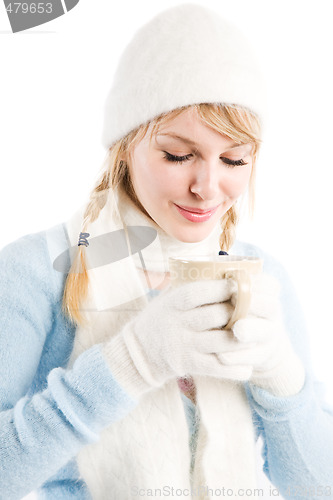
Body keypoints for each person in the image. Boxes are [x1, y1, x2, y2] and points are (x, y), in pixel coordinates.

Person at [1, 3, 333, 499]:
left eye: (234, 159)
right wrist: (129, 362)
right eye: (179, 155)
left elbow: (315, 487)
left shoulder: (264, 278)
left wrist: (281, 379)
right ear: (126, 144)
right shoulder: (40, 270)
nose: (208, 187)